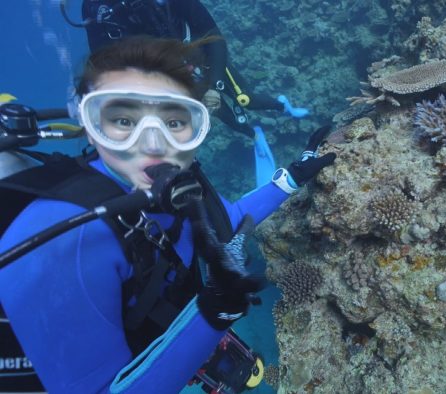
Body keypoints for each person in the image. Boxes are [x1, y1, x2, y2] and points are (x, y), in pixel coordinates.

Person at [0, 36, 335, 392]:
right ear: (90, 127)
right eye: (123, 121)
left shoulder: (179, 185)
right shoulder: (64, 241)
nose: (154, 145)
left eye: (174, 123)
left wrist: (291, 178)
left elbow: (227, 219)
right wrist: (212, 317)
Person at [76, 0, 310, 186]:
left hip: (201, 58)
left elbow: (215, 38)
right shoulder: (97, 8)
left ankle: (282, 105)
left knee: (244, 99)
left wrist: (214, 84)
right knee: (214, 110)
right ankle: (253, 134)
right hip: (167, 78)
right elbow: (104, 64)